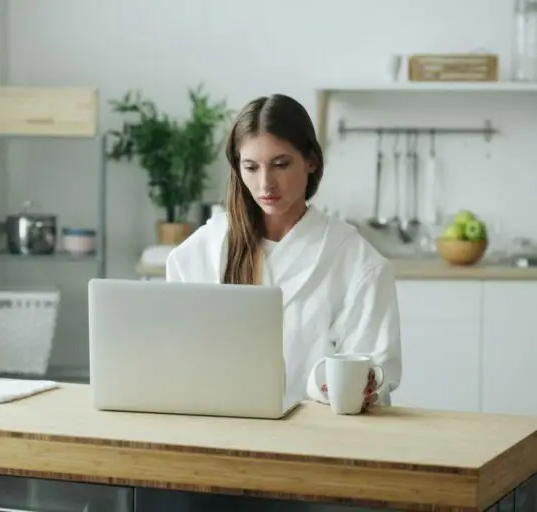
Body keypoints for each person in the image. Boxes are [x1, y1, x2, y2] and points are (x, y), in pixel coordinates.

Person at [165, 93, 402, 411]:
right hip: (218, 429)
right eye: (251, 167)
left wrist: (337, 386)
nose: (265, 184)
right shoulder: (200, 251)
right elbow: (177, 357)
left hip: (318, 445)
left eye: (281, 164)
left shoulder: (358, 263)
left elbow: (373, 376)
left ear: (311, 162)